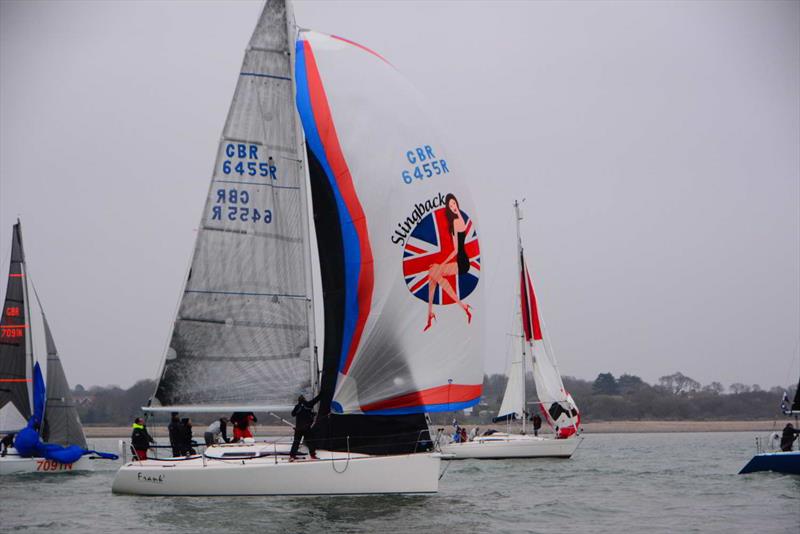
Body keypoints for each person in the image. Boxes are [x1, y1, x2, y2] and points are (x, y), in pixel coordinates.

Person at [423, 193, 474, 332]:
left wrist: (441, 264)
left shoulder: (458, 222)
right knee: (432, 275)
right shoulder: (455, 222)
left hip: (463, 262)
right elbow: (456, 249)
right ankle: (430, 314)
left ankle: (461, 306)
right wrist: (441, 264)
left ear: (457, 203)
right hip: (460, 260)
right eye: (451, 206)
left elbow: (458, 251)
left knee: (434, 271)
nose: (453, 207)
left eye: (454, 204)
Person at [290, 394, 320, 460]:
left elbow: (293, 414)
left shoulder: (297, 407)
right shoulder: (308, 404)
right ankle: (313, 455)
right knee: (310, 442)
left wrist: (299, 409)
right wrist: (322, 393)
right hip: (306, 428)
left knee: (296, 442)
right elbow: (316, 399)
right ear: (304, 399)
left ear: (299, 401)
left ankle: (292, 456)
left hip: (298, 429)